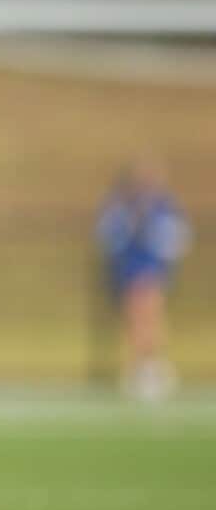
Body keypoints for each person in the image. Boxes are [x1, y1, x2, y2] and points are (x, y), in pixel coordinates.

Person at [96, 159, 189, 402]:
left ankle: (153, 366)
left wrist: (151, 237)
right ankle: (139, 367)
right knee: (136, 318)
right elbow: (108, 237)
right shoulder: (120, 207)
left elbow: (177, 238)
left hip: (152, 270)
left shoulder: (163, 208)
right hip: (128, 270)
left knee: (151, 315)